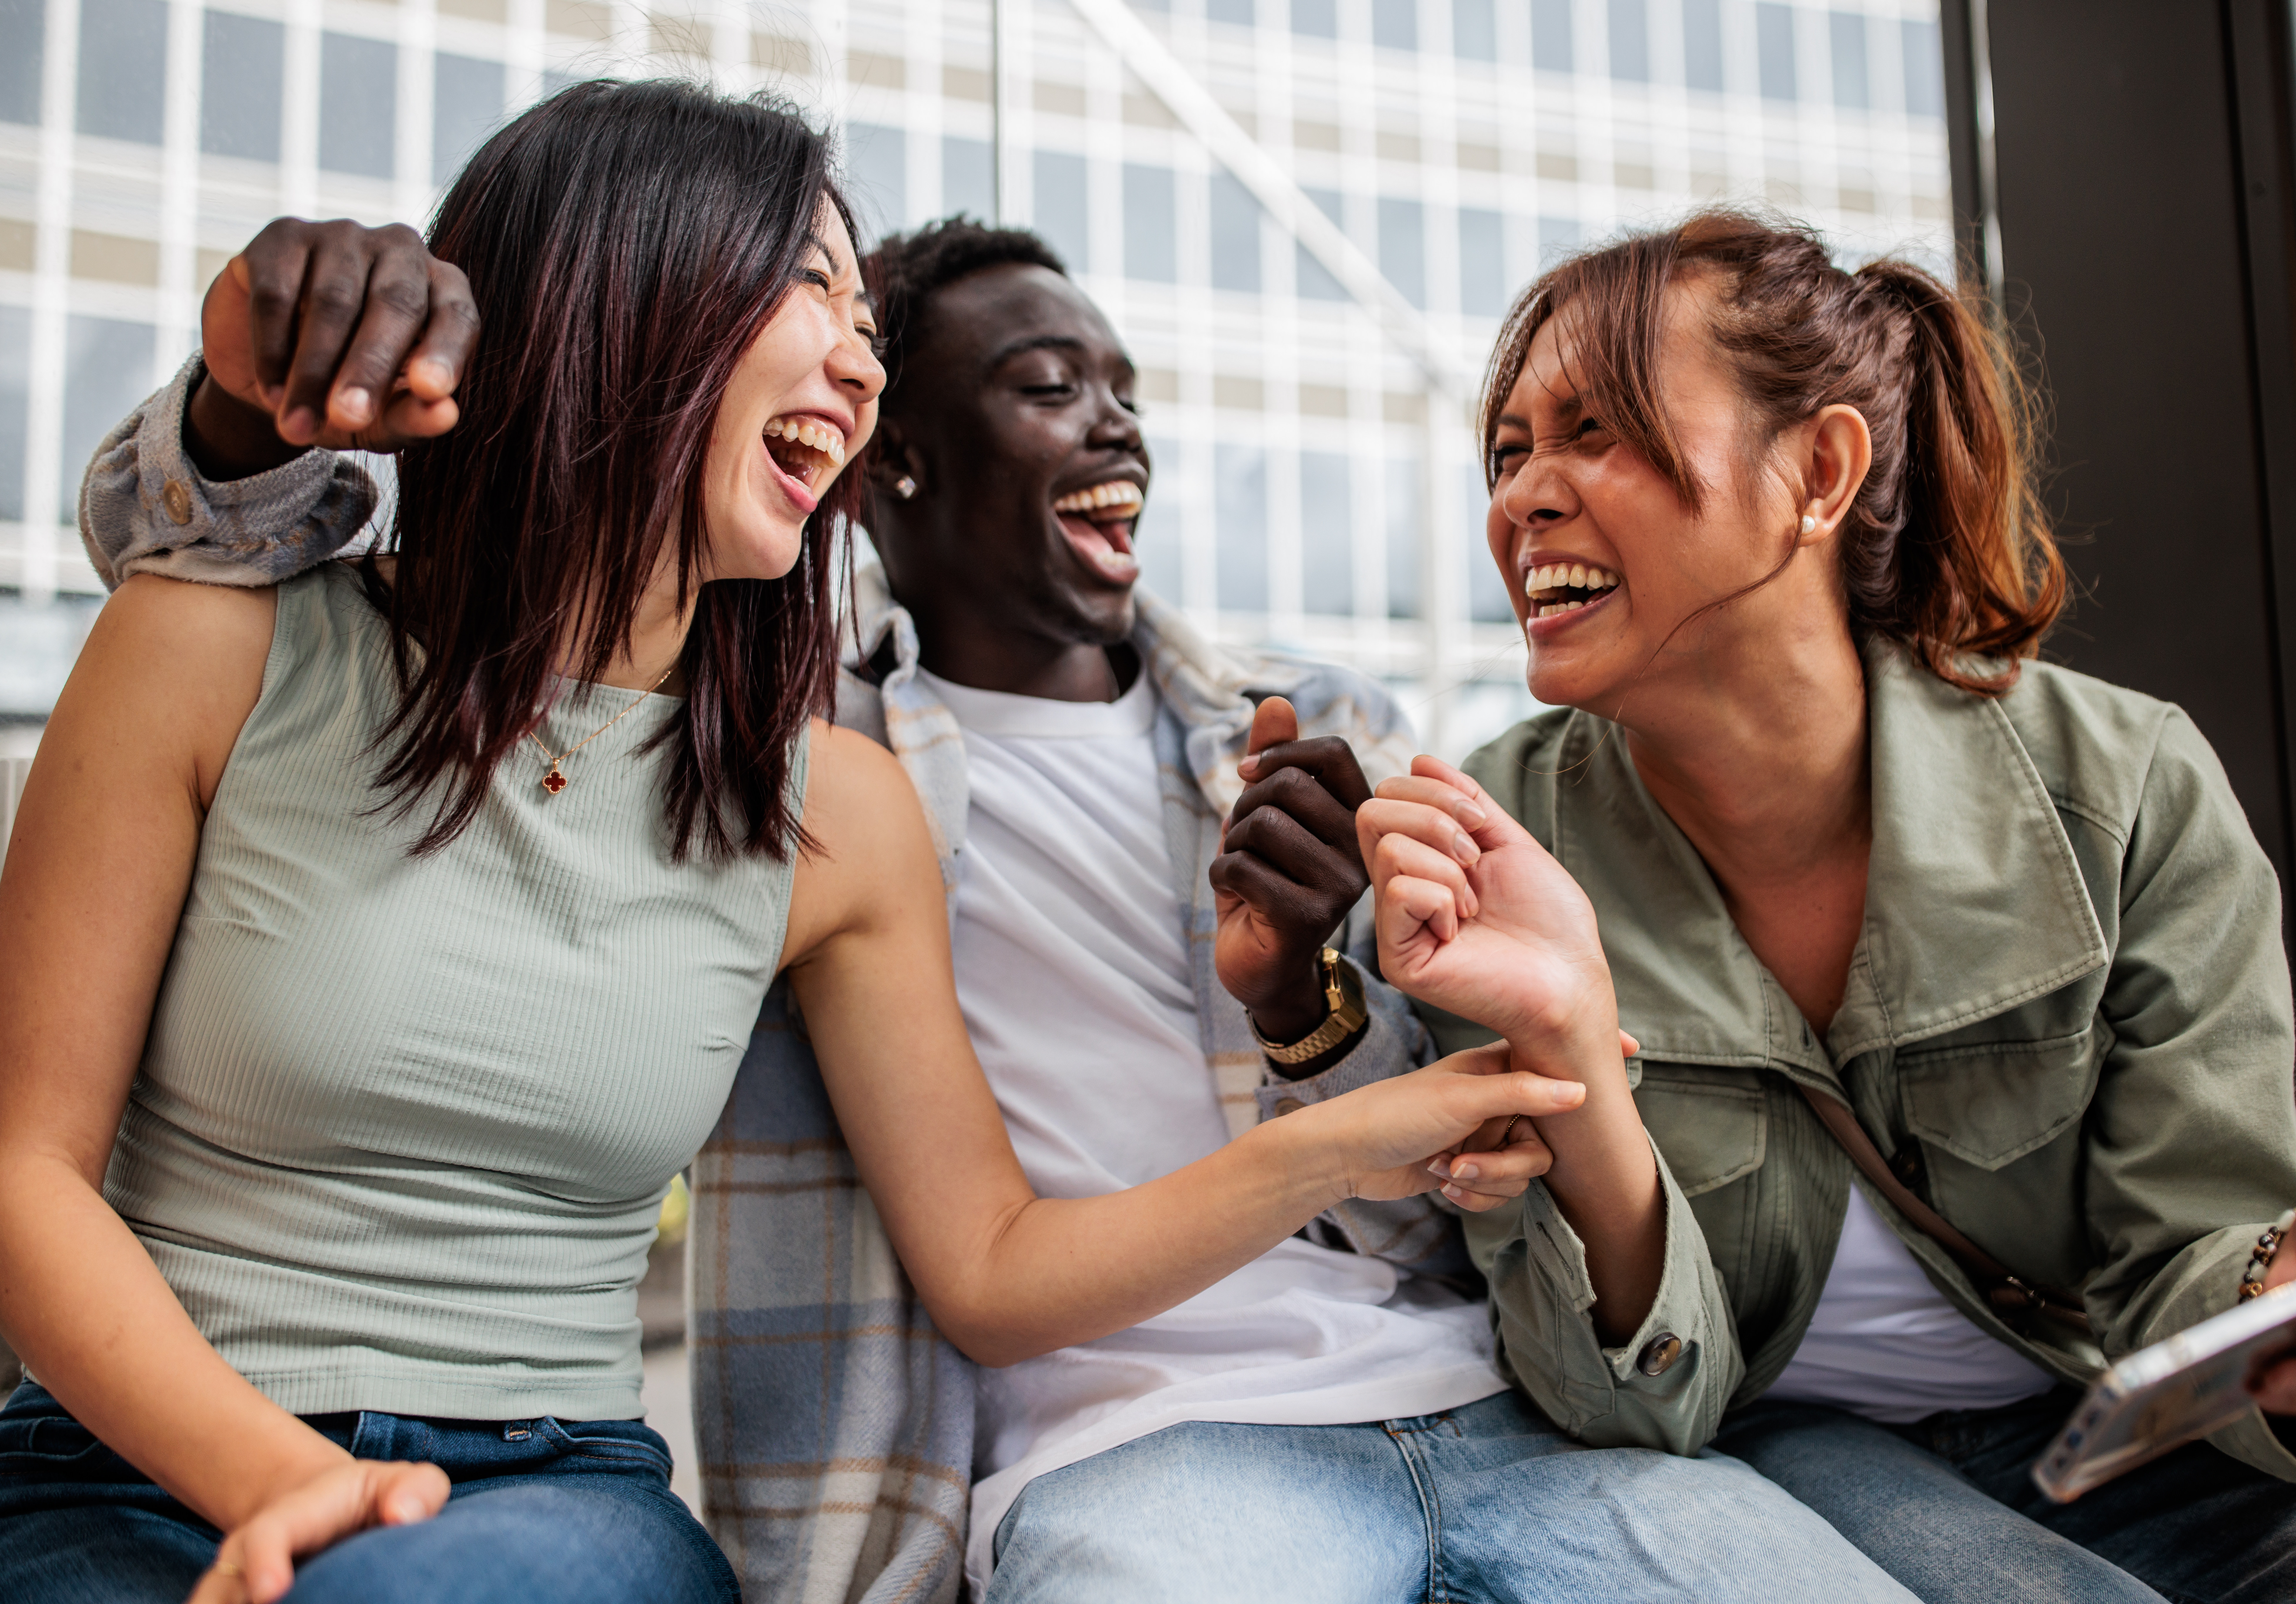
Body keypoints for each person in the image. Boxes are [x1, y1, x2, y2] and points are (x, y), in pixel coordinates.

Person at [77, 203, 1923, 1603]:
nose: (1115, 426)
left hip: (1474, 1396)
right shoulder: (784, 767)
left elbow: (1476, 1173)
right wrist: (237, 418)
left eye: (1123, 385)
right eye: (1050, 388)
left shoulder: (1318, 739)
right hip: (1128, 1444)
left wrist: (1309, 1010)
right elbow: (336, 575)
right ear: (894, 471)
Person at [1354, 210, 2296, 1603]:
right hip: (1771, 1445)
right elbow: (1621, 1405)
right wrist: (1575, 1057)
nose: (1523, 497)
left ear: (1820, 470)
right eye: (1508, 451)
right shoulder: (1491, 861)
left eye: (1594, 431)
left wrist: (2284, 1286)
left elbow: (2181, 1269)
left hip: (2111, 1430)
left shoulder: (2120, 786)